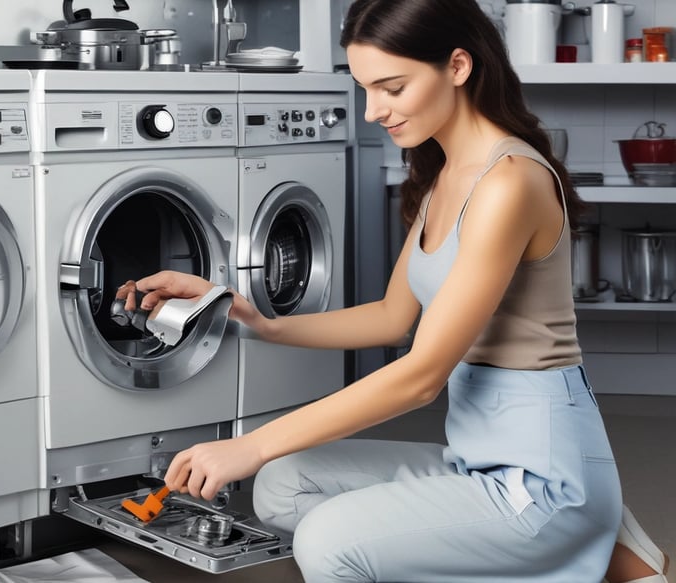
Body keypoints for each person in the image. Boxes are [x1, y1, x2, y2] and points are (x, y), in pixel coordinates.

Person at [116, 0, 670, 580]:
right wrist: (250, 315)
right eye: (363, 88)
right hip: (477, 460)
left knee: (330, 542)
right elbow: (390, 317)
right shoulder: (442, 178)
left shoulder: (510, 182)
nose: (373, 110)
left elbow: (421, 376)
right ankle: (589, 559)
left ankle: (585, 540)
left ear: (458, 66)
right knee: (284, 485)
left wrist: (249, 445)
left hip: (541, 481)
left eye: (392, 88)